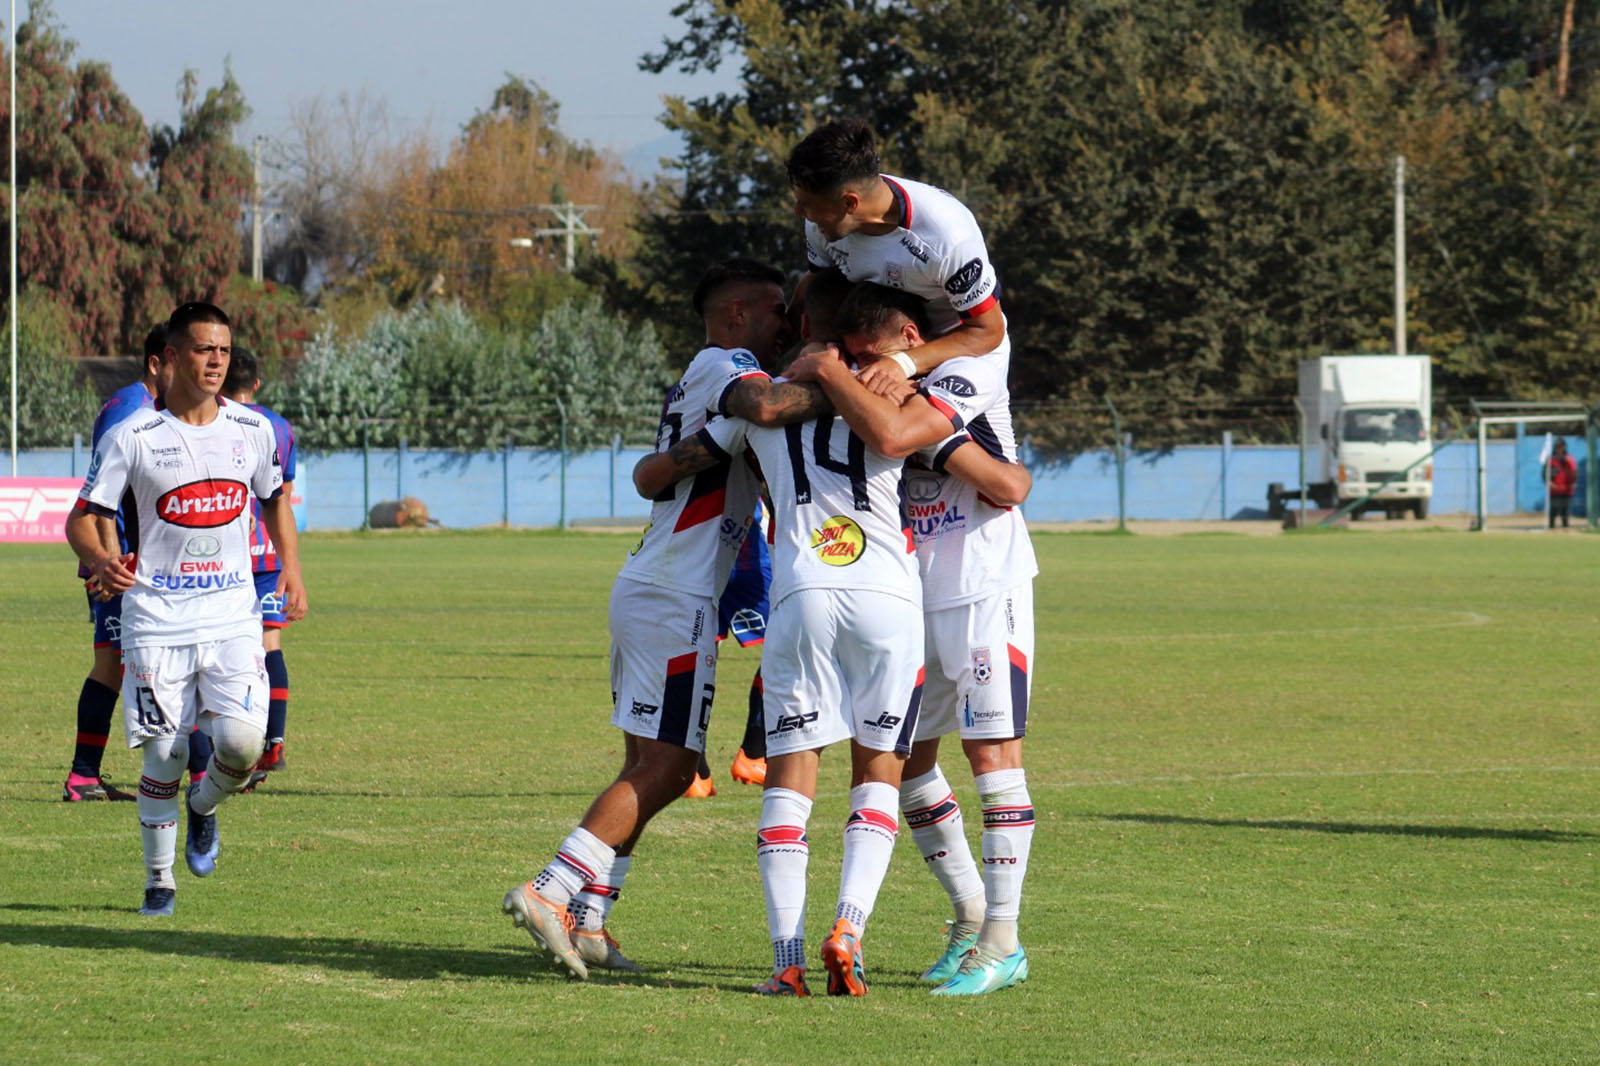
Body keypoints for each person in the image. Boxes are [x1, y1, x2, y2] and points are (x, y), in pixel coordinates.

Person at [502, 259, 829, 980]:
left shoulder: (708, 379)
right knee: (674, 766)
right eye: (778, 310)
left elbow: (655, 472)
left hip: (659, 585)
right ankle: (549, 890)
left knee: (647, 764)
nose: (786, 323)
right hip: (674, 594)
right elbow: (770, 408)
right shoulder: (728, 364)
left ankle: (590, 921)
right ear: (738, 315)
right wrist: (841, 375)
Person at [785, 281, 1039, 996]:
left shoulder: (966, 370)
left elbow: (1008, 485)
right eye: (855, 359)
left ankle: (1004, 941)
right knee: (909, 763)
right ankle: (969, 915)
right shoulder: (880, 389)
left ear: (906, 332)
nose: (868, 369)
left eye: (873, 355)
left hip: (984, 586)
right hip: (910, 592)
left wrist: (922, 430)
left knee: (991, 753)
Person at [633, 375, 924, 1000]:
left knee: (790, 781)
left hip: (801, 592)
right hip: (887, 594)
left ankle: (787, 963)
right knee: (877, 772)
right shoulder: (897, 391)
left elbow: (662, 472)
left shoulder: (759, 408)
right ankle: (848, 929)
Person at [64, 302, 307, 916]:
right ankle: (159, 881)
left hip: (231, 613)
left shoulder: (252, 432)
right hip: (156, 618)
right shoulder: (134, 436)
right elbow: (82, 518)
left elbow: (276, 501)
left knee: (244, 744)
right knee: (166, 754)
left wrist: (294, 573)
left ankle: (203, 808)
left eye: (223, 351)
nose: (215, 361)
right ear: (171, 357)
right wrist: (99, 560)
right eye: (202, 350)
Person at [787, 117, 1008, 396]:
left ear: (849, 203)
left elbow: (988, 331)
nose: (798, 211)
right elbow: (819, 287)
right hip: (877, 358)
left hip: (960, 357)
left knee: (896, 436)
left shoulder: (946, 236)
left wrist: (902, 363)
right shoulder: (823, 224)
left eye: (806, 204)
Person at [62, 325, 169, 803]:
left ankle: (85, 775)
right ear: (155, 363)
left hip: (121, 563)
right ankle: (84, 774)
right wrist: (110, 562)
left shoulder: (143, 407)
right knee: (114, 662)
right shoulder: (131, 410)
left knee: (113, 663)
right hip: (117, 567)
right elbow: (102, 497)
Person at [218, 346, 299, 790]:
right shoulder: (280, 426)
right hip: (267, 557)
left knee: (219, 653)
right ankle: (274, 743)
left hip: (222, 558)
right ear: (257, 385)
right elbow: (280, 496)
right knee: (270, 647)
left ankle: (220, 752)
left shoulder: (211, 418)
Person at [1544, 438, 1578, 529]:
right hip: (1554, 490)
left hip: (1566, 489)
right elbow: (1545, 473)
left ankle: (1565, 527)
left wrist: (1574, 482)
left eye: (1561, 446)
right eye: (1557, 446)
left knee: (1565, 510)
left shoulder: (1570, 459)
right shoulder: (1551, 460)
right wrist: (1548, 482)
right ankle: (1551, 527)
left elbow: (1574, 472)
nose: (1559, 448)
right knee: (1553, 510)